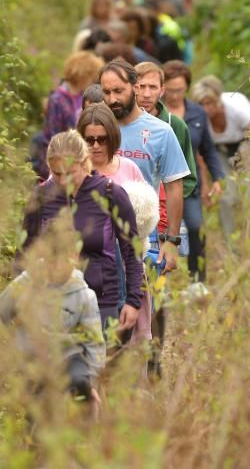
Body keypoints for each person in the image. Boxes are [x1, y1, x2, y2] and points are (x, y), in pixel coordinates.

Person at [20, 130, 144, 338]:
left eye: (71, 172)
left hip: (102, 302)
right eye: (58, 174)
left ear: (85, 162)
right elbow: (25, 253)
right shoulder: (41, 197)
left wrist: (133, 301)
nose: (64, 181)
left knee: (98, 369)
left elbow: (132, 251)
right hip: (52, 303)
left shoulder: (110, 193)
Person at [0, 215, 105, 408]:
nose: (59, 267)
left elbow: (94, 344)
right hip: (33, 361)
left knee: (79, 384)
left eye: (65, 261)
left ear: (75, 257)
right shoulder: (27, 282)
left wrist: (92, 382)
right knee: (34, 420)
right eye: (53, 261)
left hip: (69, 361)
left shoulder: (84, 295)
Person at [75, 104, 157, 346]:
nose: (96, 145)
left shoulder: (128, 168)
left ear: (112, 137)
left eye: (102, 139)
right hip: (83, 272)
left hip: (125, 268)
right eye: (90, 140)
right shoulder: (70, 175)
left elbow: (145, 217)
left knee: (126, 344)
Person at [98, 60, 189, 272]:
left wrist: (172, 241)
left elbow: (175, 186)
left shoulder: (161, 131)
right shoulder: (94, 129)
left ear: (135, 88)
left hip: (146, 233)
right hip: (98, 232)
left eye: (119, 91)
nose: (112, 99)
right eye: (107, 92)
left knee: (144, 301)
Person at [161, 60, 226, 281]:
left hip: (189, 183)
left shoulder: (197, 113)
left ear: (187, 88)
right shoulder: (156, 112)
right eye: (170, 90)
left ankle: (197, 279)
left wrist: (218, 178)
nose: (175, 95)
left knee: (197, 227)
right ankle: (159, 276)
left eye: (179, 90)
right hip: (160, 182)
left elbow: (208, 149)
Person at [191, 76, 250, 243]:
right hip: (218, 151)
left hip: (247, 144)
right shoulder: (197, 117)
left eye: (209, 103)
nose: (206, 109)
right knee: (226, 195)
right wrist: (205, 184)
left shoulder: (236, 107)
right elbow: (201, 153)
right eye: (201, 104)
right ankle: (231, 244)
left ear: (218, 101)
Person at [30, 51, 104, 179]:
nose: (93, 81)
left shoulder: (81, 96)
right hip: (61, 154)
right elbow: (54, 133)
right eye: (91, 76)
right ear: (83, 75)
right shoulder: (57, 99)